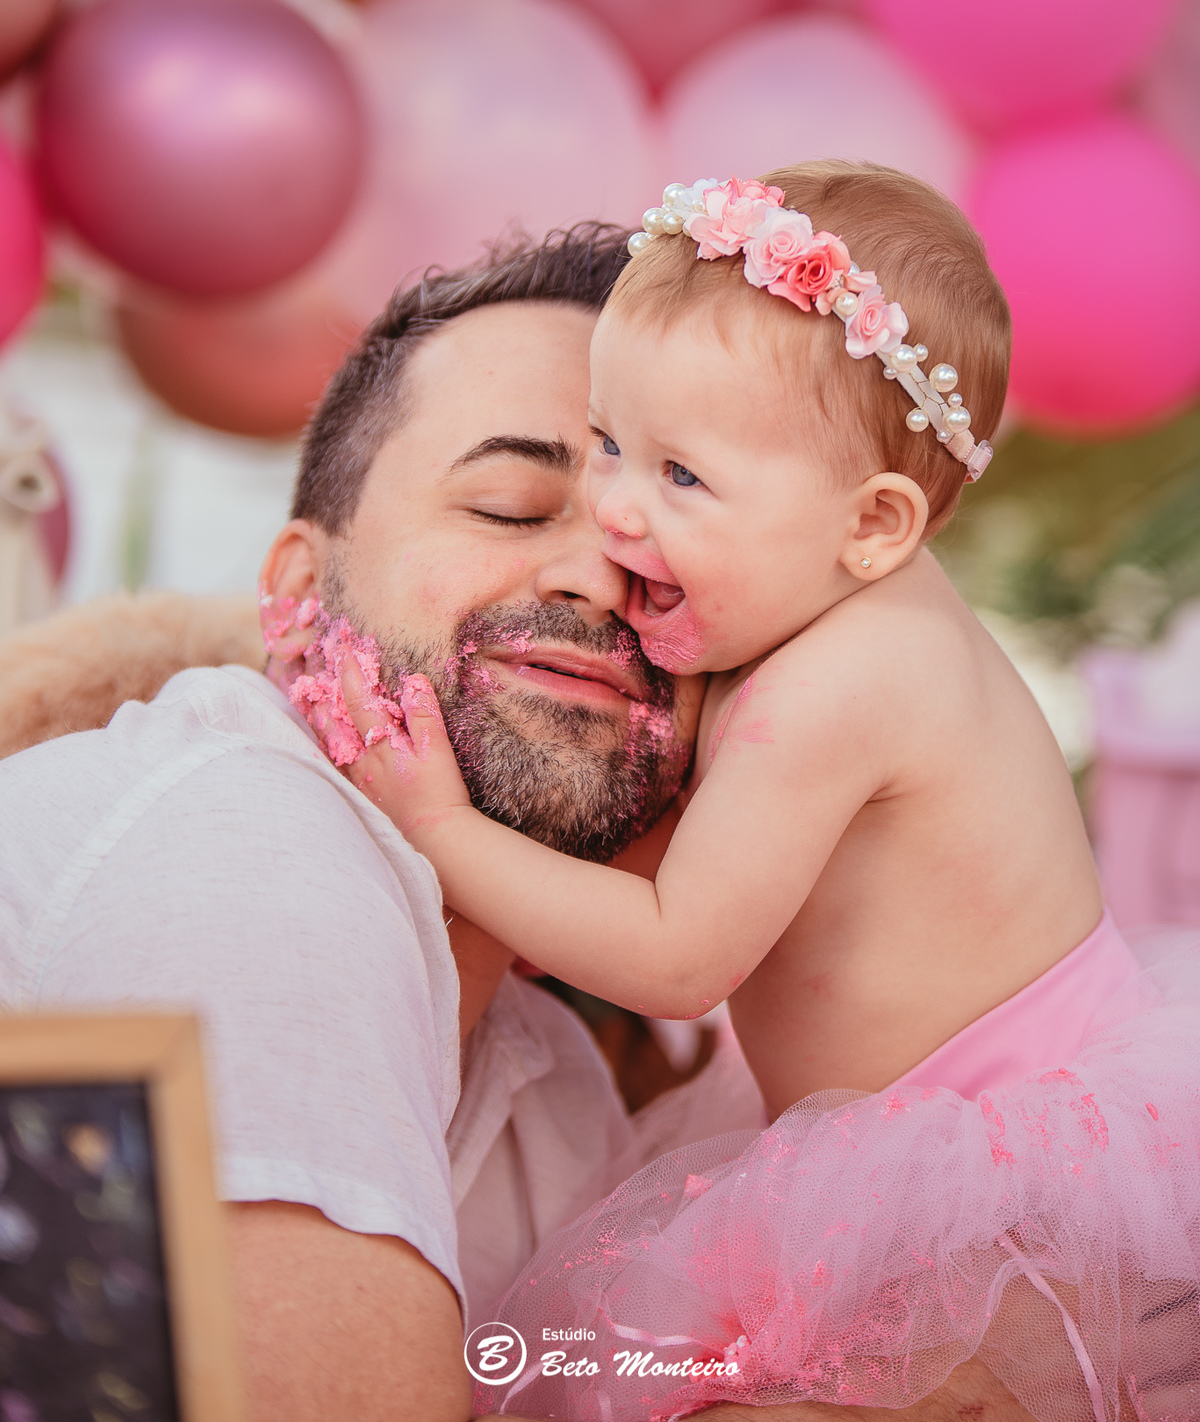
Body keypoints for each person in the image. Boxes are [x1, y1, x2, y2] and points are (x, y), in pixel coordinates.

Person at [0, 218, 1106, 1422]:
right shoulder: (249, 847)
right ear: (299, 593)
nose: (599, 576)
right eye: (513, 505)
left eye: (673, 551)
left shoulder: (556, 1086)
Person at [339, 166, 1200, 1422]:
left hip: (1000, 1171)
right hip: (890, 1129)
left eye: (682, 478)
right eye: (612, 443)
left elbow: (679, 956)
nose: (614, 510)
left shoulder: (847, 681)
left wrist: (441, 827)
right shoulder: (794, 600)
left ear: (874, 524)